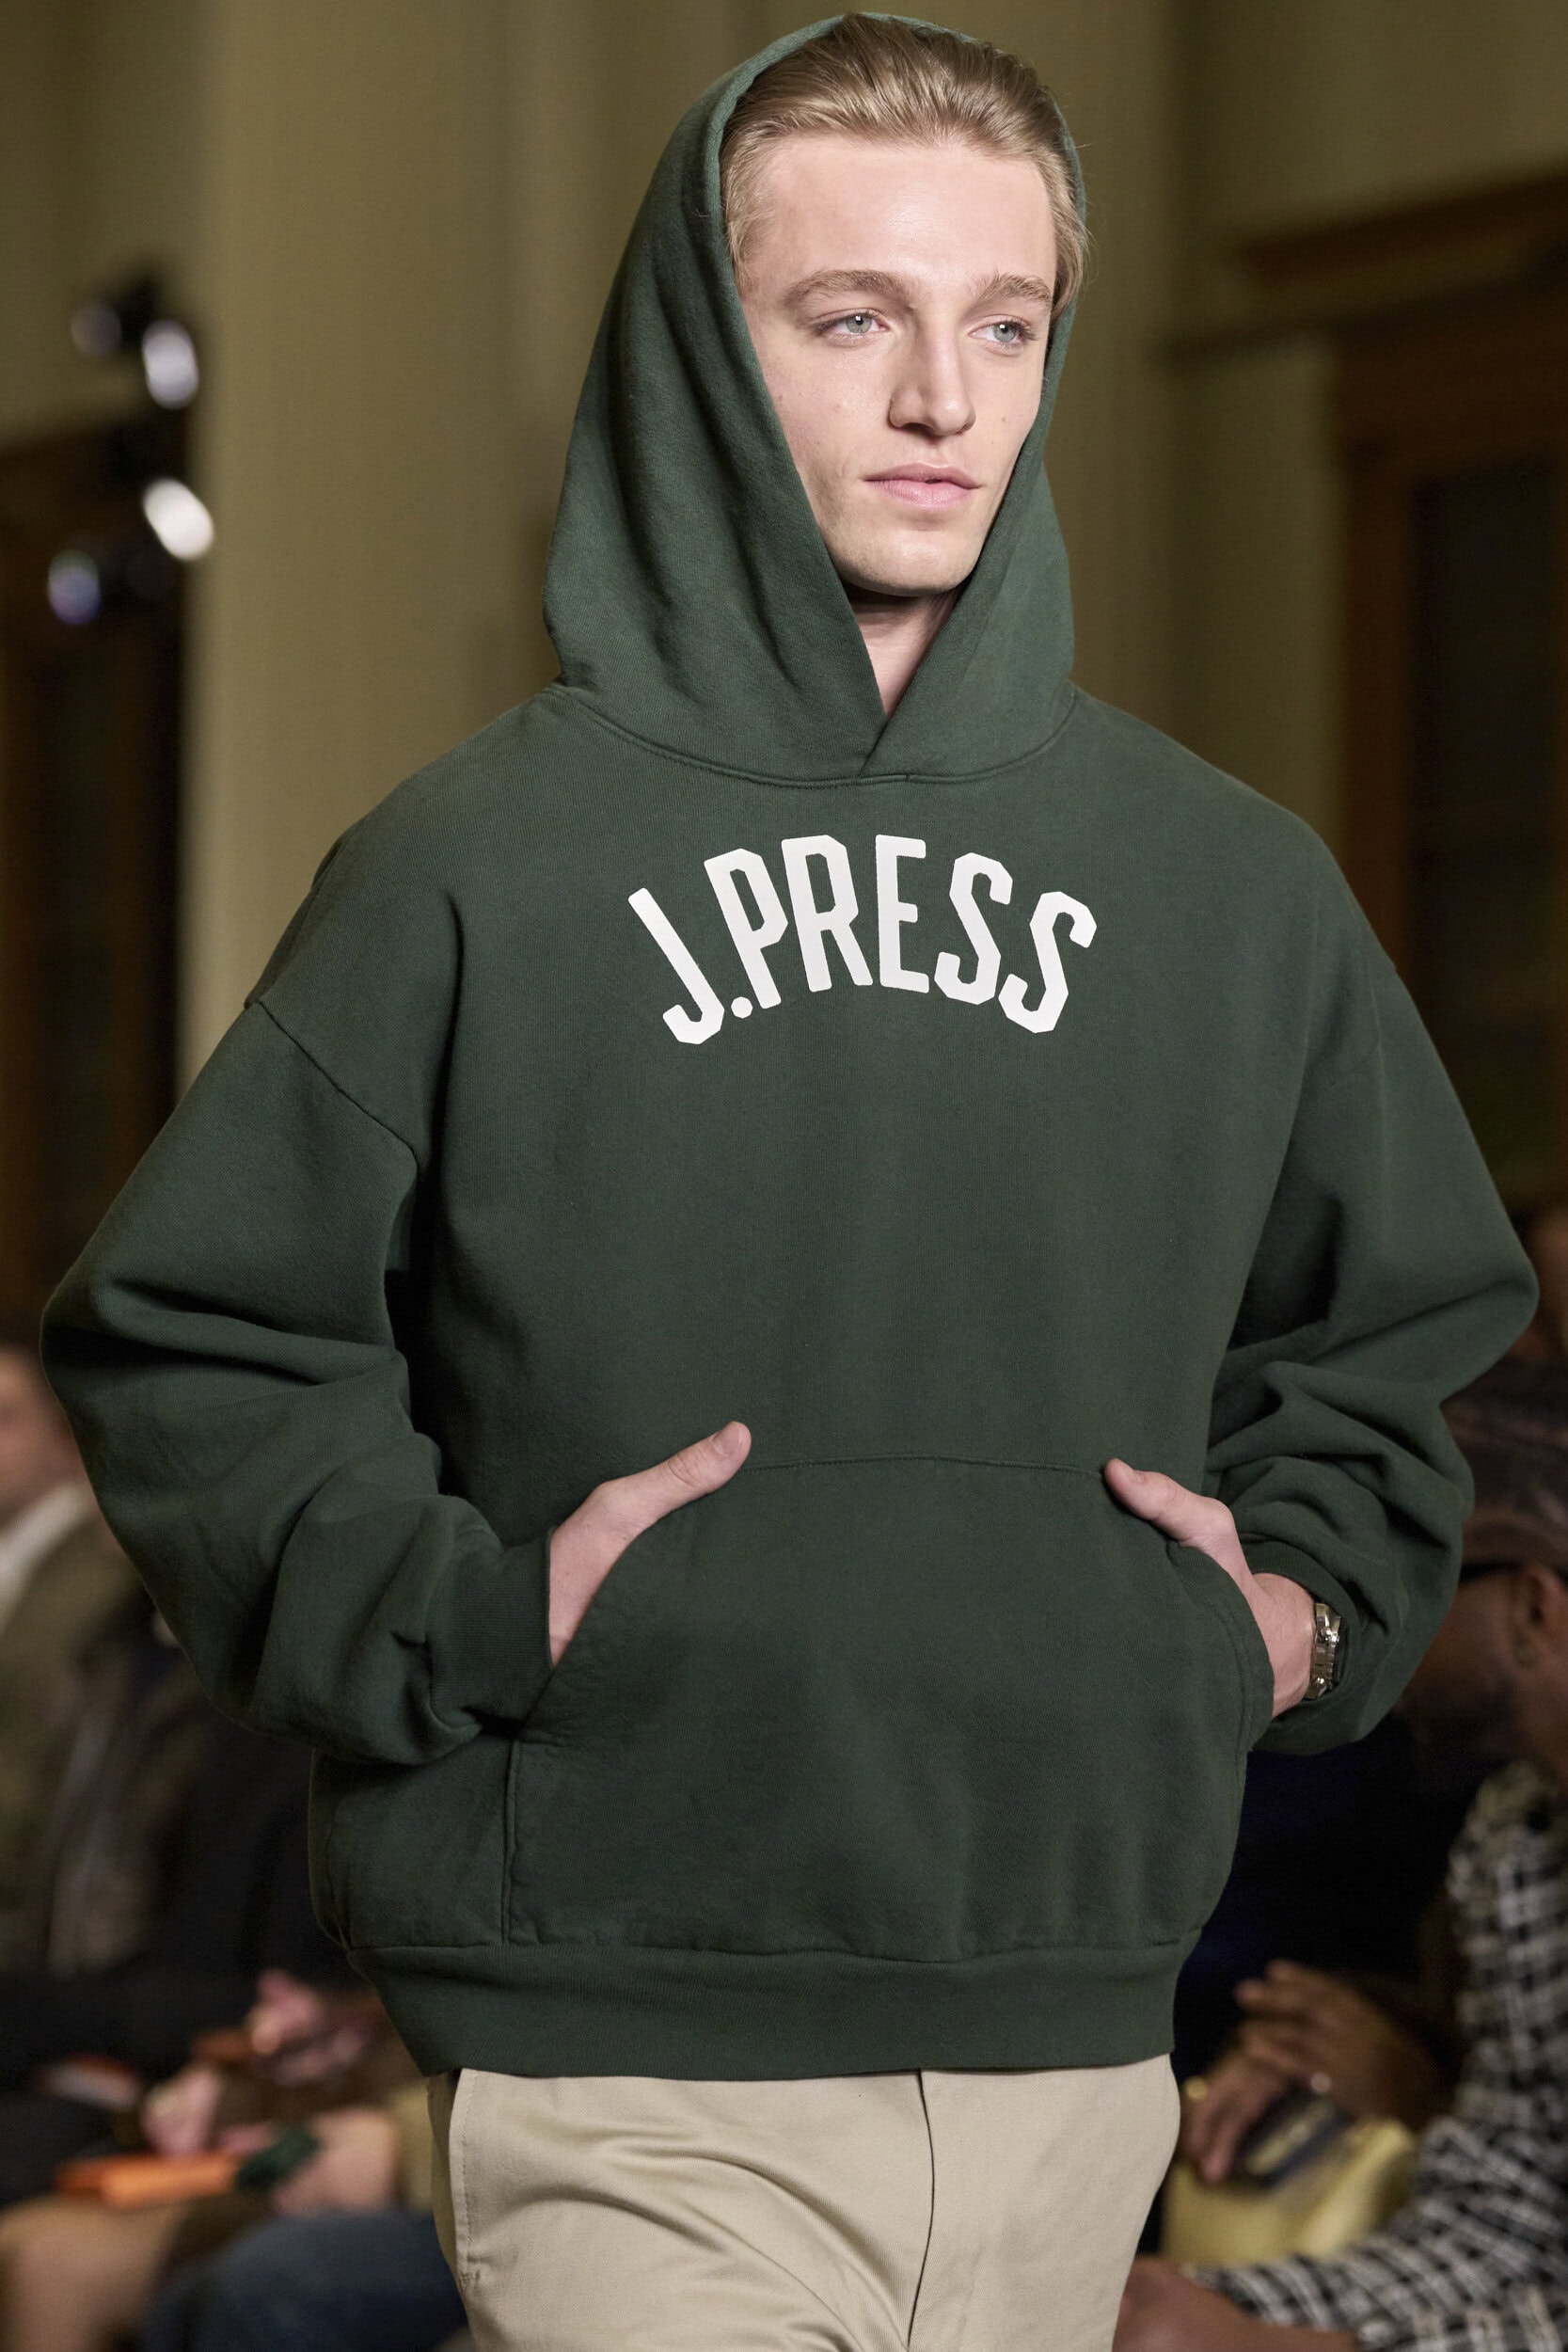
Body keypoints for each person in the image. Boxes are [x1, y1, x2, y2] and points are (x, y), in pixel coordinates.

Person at [40, 15, 1534, 2348]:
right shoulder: (477, 864)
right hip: (621, 2033)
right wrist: (472, 1613)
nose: (942, 398)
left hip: (1073, 2015)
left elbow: (1399, 1324)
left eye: (1003, 324)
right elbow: (194, 1336)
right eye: (852, 318)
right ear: (702, 352)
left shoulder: (1228, 887)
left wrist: (1282, 1623)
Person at [1118, 1366, 1568, 2352]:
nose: (1379, 1622)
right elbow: (1500, 2225)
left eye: (1418, 1582)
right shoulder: (1513, 1838)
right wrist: (1197, 2302)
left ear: (1534, 1609)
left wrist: (1278, 2348)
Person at [0, 1335, 138, 1968]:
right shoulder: (28, 1564)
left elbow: (38, 1764)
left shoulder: (99, 1575)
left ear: (64, 1439)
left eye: (6, 1419)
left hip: (43, 1921)